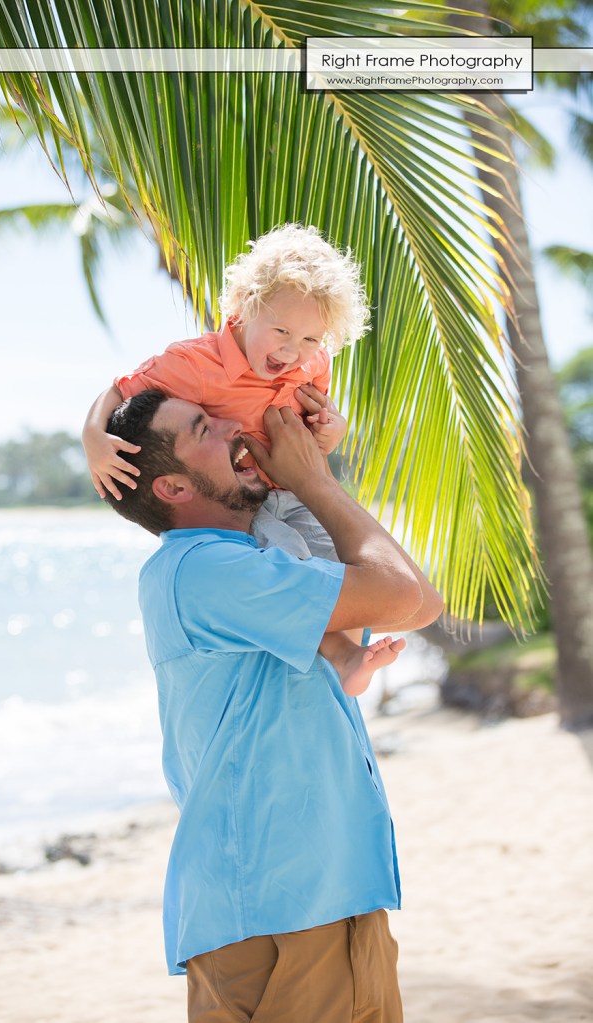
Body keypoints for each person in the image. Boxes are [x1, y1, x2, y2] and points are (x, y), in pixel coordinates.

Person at [102, 388, 444, 1023]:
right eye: (204, 427)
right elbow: (411, 599)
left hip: (333, 895)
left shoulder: (256, 560)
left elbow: (400, 598)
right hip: (276, 911)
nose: (234, 424)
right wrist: (315, 482)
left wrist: (305, 484)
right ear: (173, 487)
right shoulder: (202, 570)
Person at [83, 224, 399, 695]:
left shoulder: (313, 364)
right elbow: (118, 388)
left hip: (296, 490)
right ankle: (340, 657)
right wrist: (92, 437)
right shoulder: (194, 364)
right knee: (289, 566)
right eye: (282, 331)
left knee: (343, 564)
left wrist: (334, 429)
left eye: (313, 339)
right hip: (248, 502)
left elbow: (319, 418)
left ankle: (340, 662)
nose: (293, 351)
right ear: (247, 303)